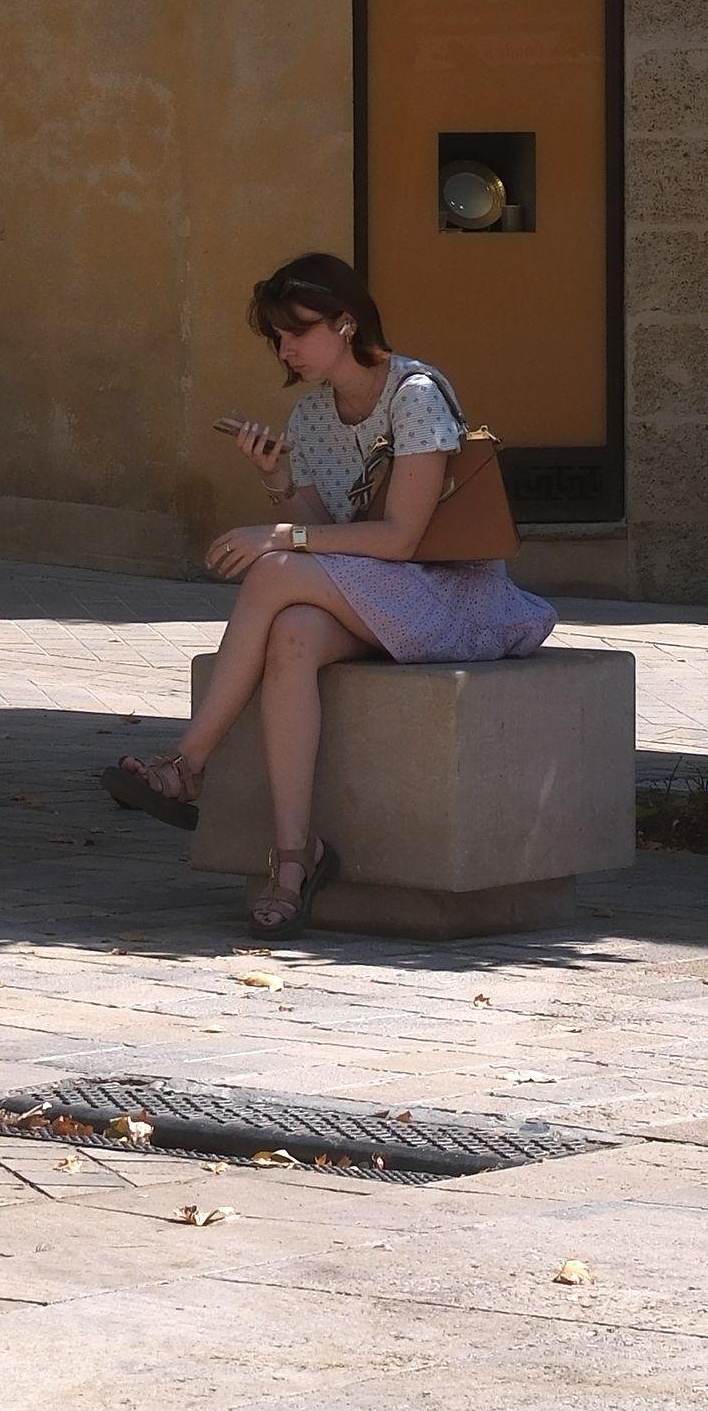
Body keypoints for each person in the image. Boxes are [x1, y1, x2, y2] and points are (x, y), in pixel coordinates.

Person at [103, 252, 556, 931]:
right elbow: (329, 536)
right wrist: (278, 483)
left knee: (278, 570)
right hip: (380, 594)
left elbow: (400, 539)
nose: (286, 348)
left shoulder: (415, 395)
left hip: (451, 597)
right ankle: (294, 857)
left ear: (346, 323)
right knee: (290, 634)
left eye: (298, 330)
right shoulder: (313, 415)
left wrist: (279, 537)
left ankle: (188, 762)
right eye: (276, 336)